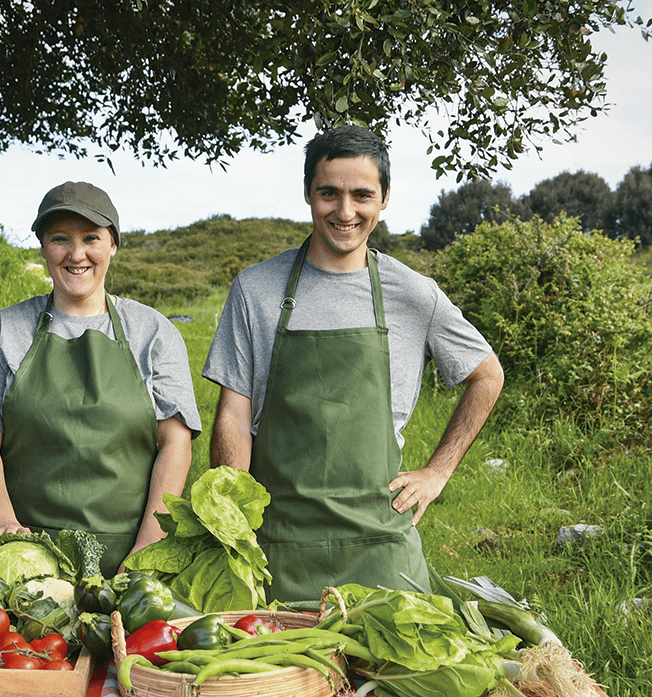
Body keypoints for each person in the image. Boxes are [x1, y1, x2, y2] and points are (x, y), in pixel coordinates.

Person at [203, 126, 504, 602]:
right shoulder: (255, 289)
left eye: (362, 195)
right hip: (277, 545)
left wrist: (437, 472)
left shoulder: (412, 294)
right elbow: (234, 416)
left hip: (380, 543)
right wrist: (232, 519)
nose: (345, 212)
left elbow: (487, 375)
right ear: (308, 194)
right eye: (329, 193)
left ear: (384, 198)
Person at [0, 181, 201, 577]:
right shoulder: (4, 331)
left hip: (125, 554)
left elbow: (175, 442)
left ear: (113, 246)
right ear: (42, 247)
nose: (76, 254)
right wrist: (1, 519)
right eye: (60, 239)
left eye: (91, 238)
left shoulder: (153, 333)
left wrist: (149, 543)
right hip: (22, 554)